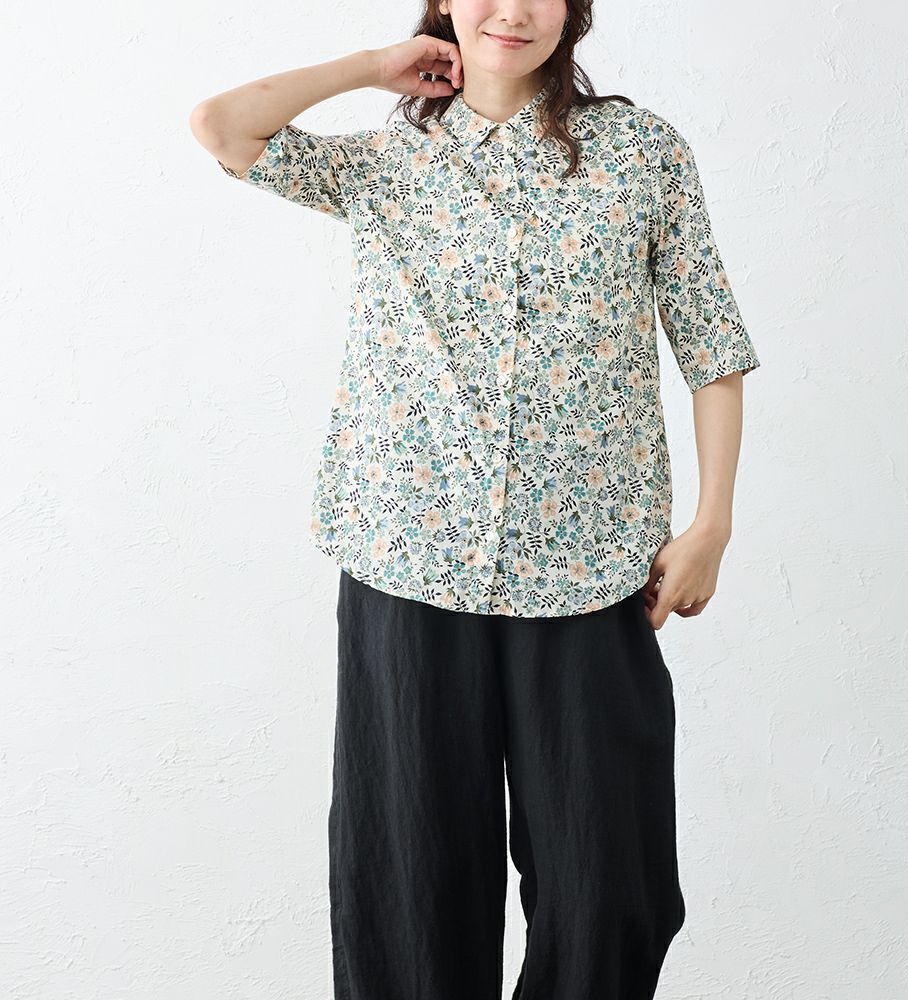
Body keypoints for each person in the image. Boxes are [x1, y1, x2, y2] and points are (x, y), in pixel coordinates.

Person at [191, 1, 760, 996]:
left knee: (611, 889)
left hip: (590, 567)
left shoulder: (641, 154)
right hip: (409, 557)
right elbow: (222, 126)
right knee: (411, 883)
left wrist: (712, 522)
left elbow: (710, 345)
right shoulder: (384, 163)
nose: (514, 9)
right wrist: (374, 66)